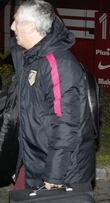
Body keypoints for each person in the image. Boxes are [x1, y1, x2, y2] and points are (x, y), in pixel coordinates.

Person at [10, 0, 96, 189]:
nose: (12, 26)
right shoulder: (32, 58)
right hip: (34, 160)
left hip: (61, 171)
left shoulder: (57, 63)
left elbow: (66, 122)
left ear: (31, 26)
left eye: (16, 21)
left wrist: (54, 174)